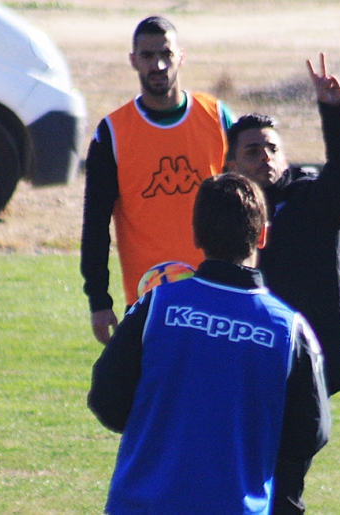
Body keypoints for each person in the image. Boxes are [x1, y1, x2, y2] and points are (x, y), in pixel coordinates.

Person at [88, 173, 331, 514]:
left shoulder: (156, 306)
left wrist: (163, 429)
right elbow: (311, 433)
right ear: (262, 235)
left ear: (196, 234)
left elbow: (105, 398)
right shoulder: (290, 329)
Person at [226, 54, 340, 514]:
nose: (265, 156)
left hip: (302, 373)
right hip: (245, 369)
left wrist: (334, 110)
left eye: (271, 147)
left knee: (283, 492)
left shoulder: (312, 203)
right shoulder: (225, 217)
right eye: (252, 150)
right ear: (230, 164)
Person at [80, 15, 235, 344]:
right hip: (148, 304)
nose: (158, 64)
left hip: (219, 296)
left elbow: (251, 208)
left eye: (166, 54)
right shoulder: (112, 134)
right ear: (133, 60)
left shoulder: (218, 119)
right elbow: (95, 224)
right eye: (148, 56)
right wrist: (99, 300)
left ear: (181, 56)